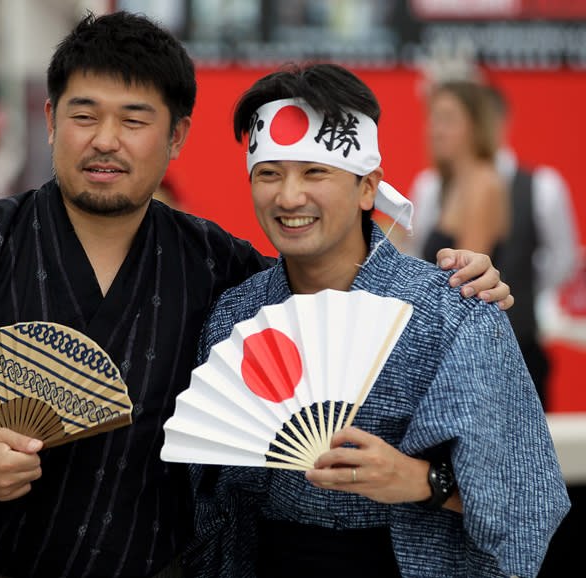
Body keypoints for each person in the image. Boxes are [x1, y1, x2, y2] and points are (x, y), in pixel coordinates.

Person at [0, 12, 512, 578]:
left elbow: (327, 298)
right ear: (48, 121)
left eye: (134, 119)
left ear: (176, 137)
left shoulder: (216, 265)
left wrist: (452, 284)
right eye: (83, 114)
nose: (106, 139)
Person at [185, 63, 568, 578]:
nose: (289, 196)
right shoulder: (236, 316)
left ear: (368, 187)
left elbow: (530, 499)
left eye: (315, 171)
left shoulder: (453, 311)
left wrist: (421, 480)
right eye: (269, 173)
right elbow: (208, 501)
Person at [483, 83, 580, 407]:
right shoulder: (431, 187)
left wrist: (522, 288)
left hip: (522, 350)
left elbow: (563, 260)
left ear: (500, 121)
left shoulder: (542, 187)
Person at [407, 80, 510, 265]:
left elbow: (466, 278)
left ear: (476, 126)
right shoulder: (452, 182)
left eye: (448, 119)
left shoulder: (482, 184)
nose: (436, 131)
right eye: (434, 119)